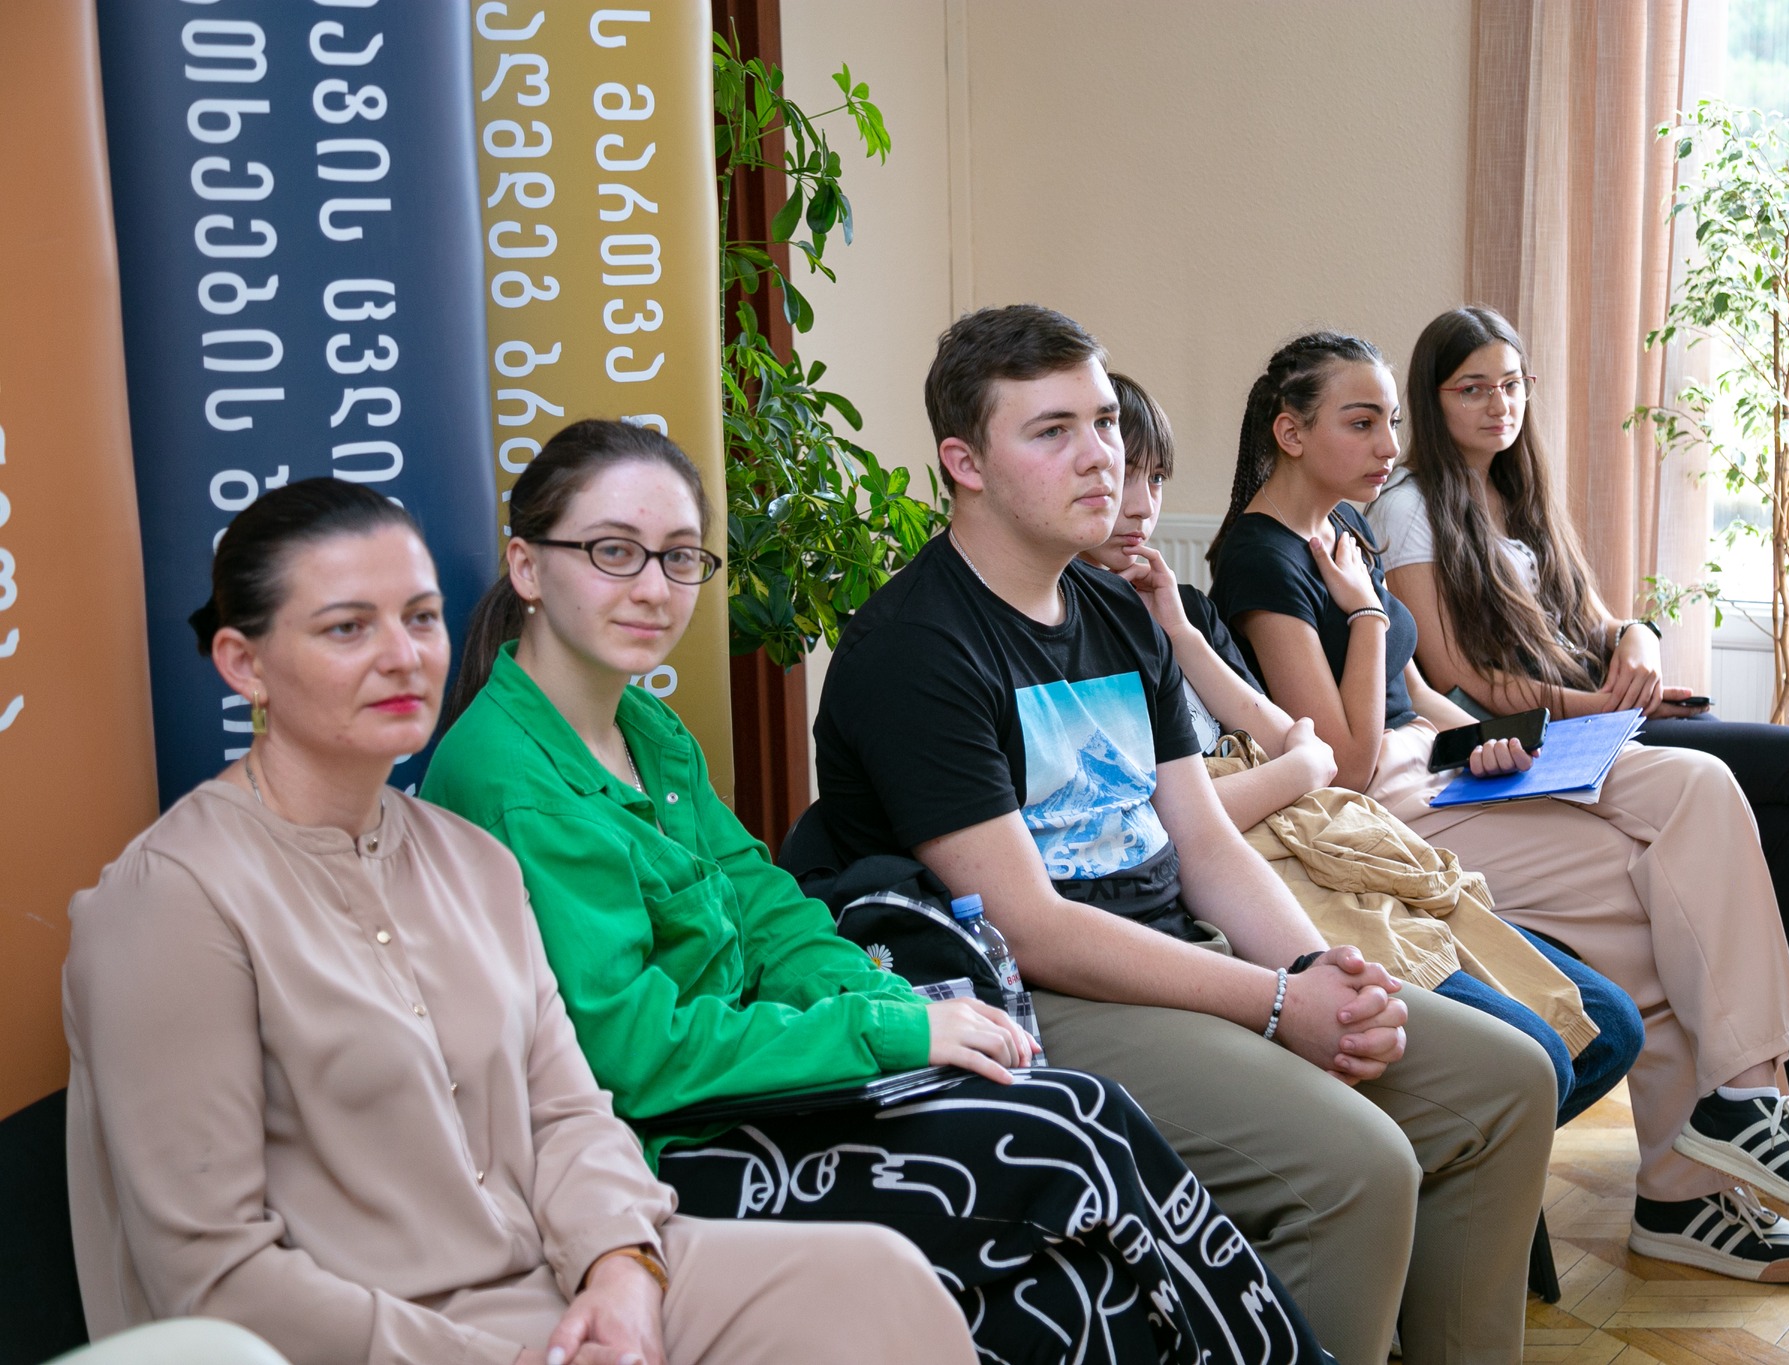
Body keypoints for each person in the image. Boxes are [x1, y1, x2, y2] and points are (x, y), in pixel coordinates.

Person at [421, 420, 1328, 1365]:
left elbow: (770, 911)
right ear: (527, 567)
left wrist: (892, 1003)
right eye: (614, 552)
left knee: (1075, 1217)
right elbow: (632, 1054)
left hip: (761, 1082)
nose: (653, 586)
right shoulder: (513, 778)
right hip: (662, 1145)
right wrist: (889, 1031)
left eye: (680, 556)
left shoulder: (645, 726)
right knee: (1064, 1143)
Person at [64, 478, 976, 1365]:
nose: (402, 654)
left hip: (562, 1273)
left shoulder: (472, 861)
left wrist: (623, 1267)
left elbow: (569, 1112)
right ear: (243, 663)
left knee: (875, 1281)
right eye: (348, 627)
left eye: (421, 618)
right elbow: (214, 1277)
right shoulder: (173, 900)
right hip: (372, 1329)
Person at [812, 304, 1561, 1365]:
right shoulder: (914, 647)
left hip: (1172, 953)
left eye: (1104, 422)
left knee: (1510, 1081)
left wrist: (1313, 968)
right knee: (1355, 1166)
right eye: (1052, 431)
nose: (1100, 457)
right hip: (1035, 1000)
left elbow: (1203, 845)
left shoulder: (1119, 615)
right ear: (963, 463)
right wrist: (1275, 1002)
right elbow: (1030, 925)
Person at [1207, 330, 1789, 1285]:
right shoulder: (1259, 559)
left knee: (1699, 782)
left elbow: (1414, 699)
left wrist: (1489, 737)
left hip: (1437, 763)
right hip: (1377, 811)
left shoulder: (1342, 529)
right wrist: (1365, 614)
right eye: (1362, 422)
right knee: (1656, 903)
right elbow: (1339, 764)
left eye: (1391, 419)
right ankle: (1681, 1195)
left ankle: (1747, 1098)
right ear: (1290, 432)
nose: (1389, 443)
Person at [1374, 304, 1789, 1140]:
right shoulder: (1409, 506)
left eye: (1511, 384)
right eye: (1472, 389)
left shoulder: (1518, 490)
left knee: (1784, 828)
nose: (1498, 404)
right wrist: (1602, 705)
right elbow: (1457, 674)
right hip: (1547, 742)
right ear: (1432, 398)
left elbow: (1603, 622)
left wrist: (1641, 643)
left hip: (1602, 715)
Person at [1081, 370, 1644, 1126]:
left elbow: (1308, 738)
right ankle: (1447, 1151)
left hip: (1336, 816)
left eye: (1155, 479)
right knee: (1540, 1052)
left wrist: (1183, 633)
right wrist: (1351, 655)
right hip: (1294, 838)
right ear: (1291, 434)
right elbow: (1286, 775)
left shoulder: (1191, 602)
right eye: (1125, 476)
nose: (1142, 505)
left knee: (1611, 1027)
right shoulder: (1253, 562)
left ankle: (1458, 1153)